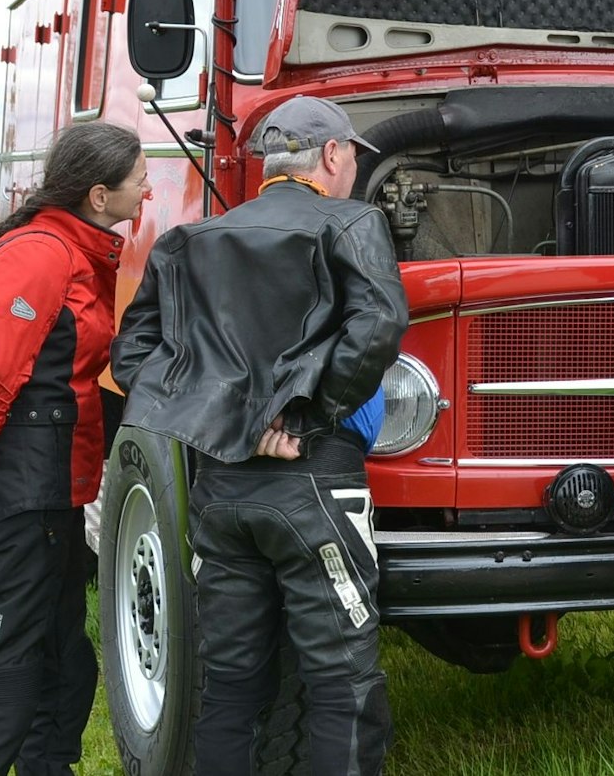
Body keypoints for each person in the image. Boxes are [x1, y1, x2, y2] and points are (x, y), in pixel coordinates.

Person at [113, 95, 410, 776]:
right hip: (316, 486)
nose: (352, 174)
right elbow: (380, 325)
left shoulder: (189, 240)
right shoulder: (351, 223)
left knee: (232, 684)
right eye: (350, 160)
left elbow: (134, 358)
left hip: (220, 494)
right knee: (344, 682)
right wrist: (305, 417)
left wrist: (231, 428)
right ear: (332, 156)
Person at [0, 122, 148, 776]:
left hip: (52, 493)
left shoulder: (74, 248)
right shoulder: (42, 256)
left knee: (63, 663)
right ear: (99, 194)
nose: (146, 188)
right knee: (6, 676)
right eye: (137, 177)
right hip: (23, 497)